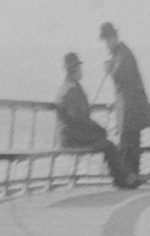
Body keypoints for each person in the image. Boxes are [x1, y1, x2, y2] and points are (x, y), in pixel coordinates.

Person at [54, 52, 137, 189]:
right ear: (74, 69)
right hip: (71, 138)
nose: (81, 71)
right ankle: (123, 180)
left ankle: (122, 178)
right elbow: (79, 119)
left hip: (70, 134)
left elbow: (79, 116)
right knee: (108, 145)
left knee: (107, 144)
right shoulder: (71, 90)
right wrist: (99, 129)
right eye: (79, 68)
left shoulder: (70, 87)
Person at [98, 22, 150, 187]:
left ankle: (127, 180)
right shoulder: (121, 53)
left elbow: (121, 75)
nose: (106, 45)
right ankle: (130, 179)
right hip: (130, 108)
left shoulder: (122, 54)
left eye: (107, 40)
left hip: (130, 108)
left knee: (128, 144)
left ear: (113, 38)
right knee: (130, 144)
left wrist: (110, 69)